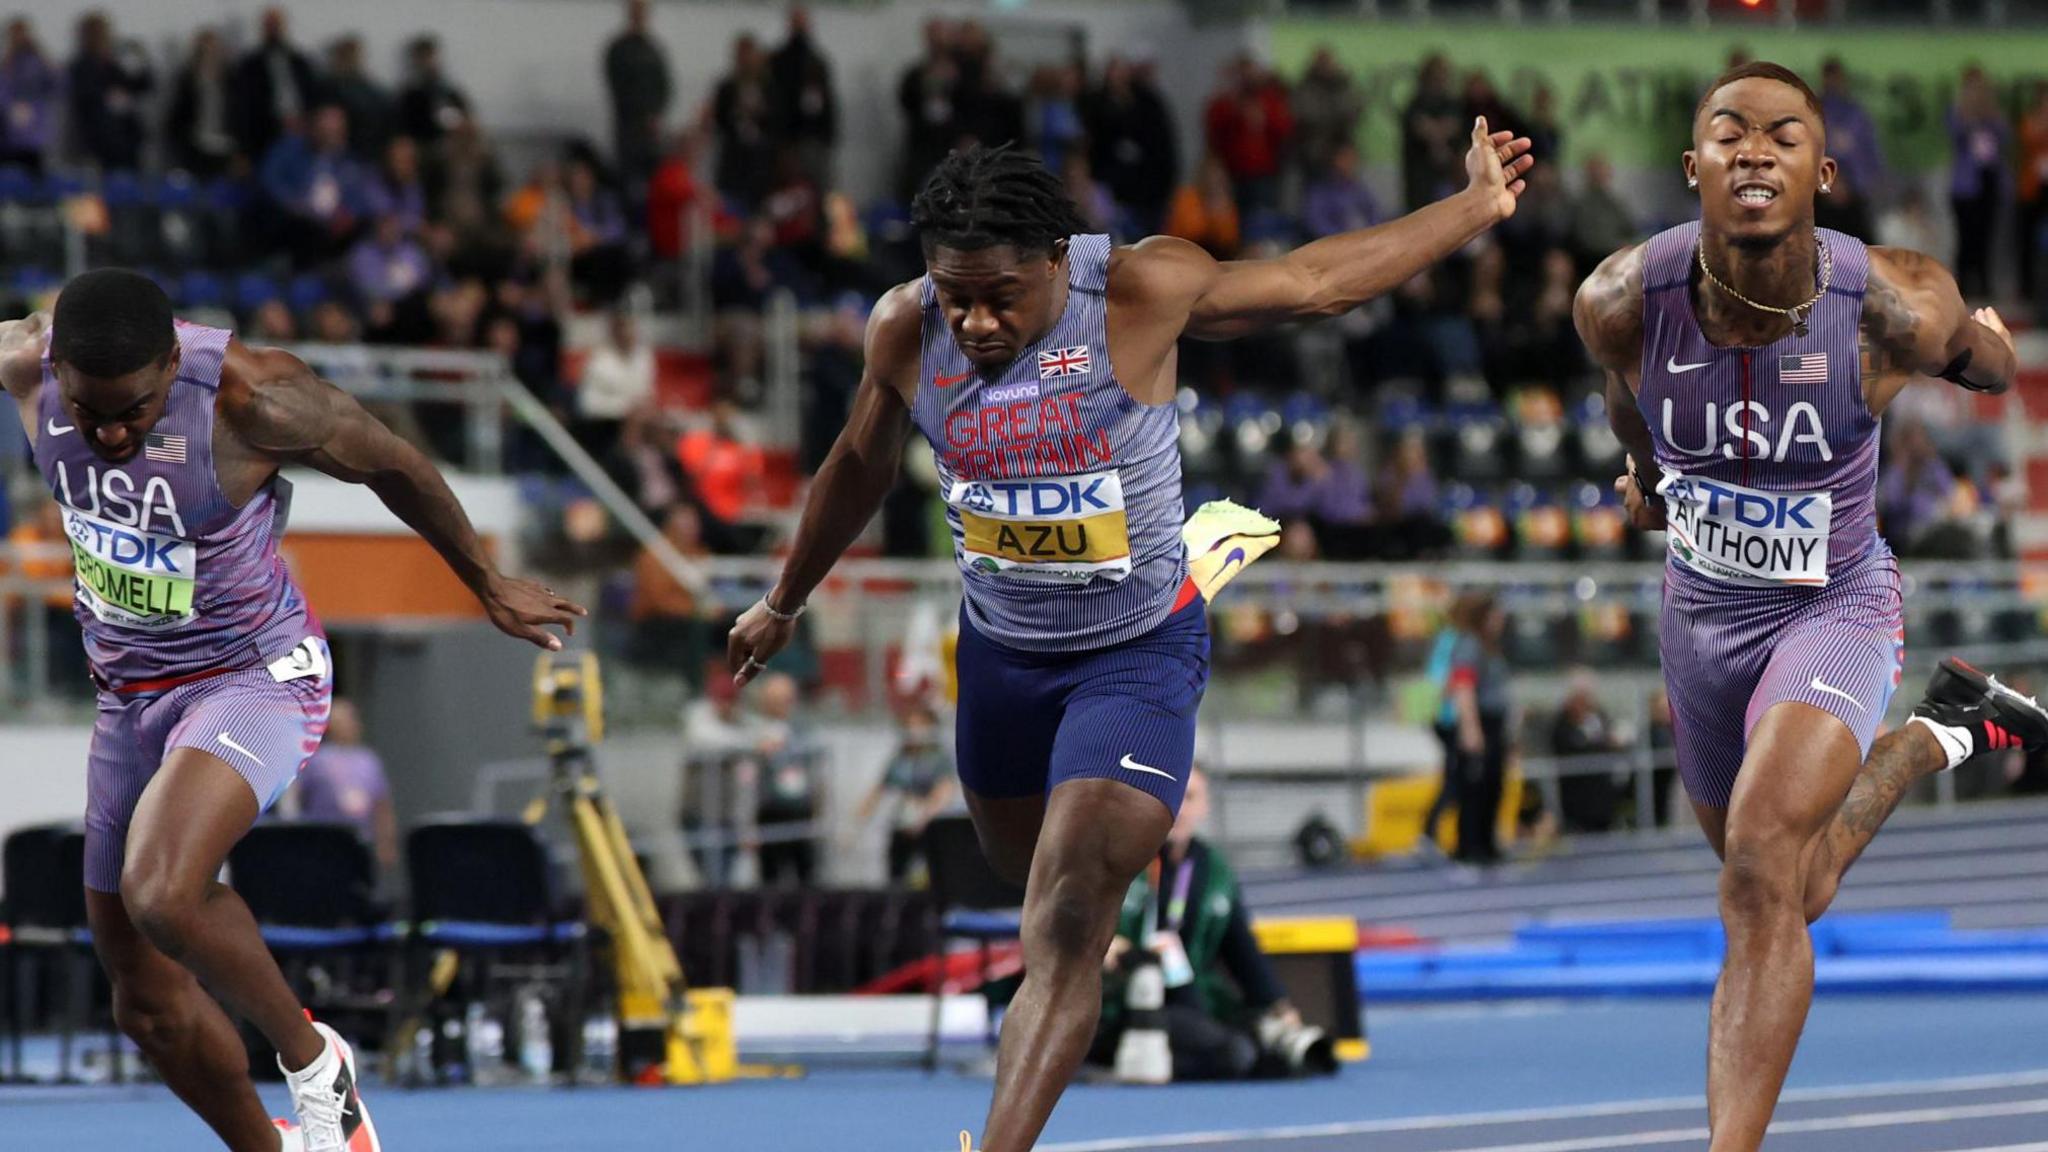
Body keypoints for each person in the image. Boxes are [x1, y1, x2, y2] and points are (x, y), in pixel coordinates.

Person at [727, 118, 1533, 1151]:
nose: (971, 322)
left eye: (998, 297)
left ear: (1057, 263)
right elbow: (855, 466)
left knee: (1066, 918)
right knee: (1043, 897)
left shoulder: (1138, 293)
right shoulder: (904, 327)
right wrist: (782, 601)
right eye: (954, 293)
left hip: (1133, 648)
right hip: (1002, 659)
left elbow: (1314, 281)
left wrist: (1471, 204)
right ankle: (1115, 869)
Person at [1572, 62, 2048, 1152]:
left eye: (1781, 136)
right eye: (1726, 132)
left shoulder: (1888, 303)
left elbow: (1983, 360)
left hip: (1832, 605)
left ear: (1820, 173)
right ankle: (1939, 733)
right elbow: (1625, 410)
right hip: (1697, 618)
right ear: (1690, 164)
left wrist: (1981, 344)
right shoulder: (1614, 304)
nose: (1751, 150)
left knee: (1752, 875)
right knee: (1793, 885)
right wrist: (1644, 484)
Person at [0, 271, 585, 1152]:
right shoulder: (23, 364)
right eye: (90, 415)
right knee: (147, 1005)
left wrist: (485, 581)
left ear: (171, 364)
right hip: (127, 702)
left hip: (255, 677)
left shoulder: (256, 399)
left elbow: (393, 461)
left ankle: (317, 1067)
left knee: (160, 892)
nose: (112, 434)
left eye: (135, 411)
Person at [1090, 768, 1327, 1082]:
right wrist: (1112, 949)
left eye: (1189, 798)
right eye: (1170, 795)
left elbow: (1242, 948)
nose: (1178, 808)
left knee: (1260, 1047)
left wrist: (1278, 1007)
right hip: (1119, 1006)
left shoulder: (1214, 869)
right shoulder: (1121, 858)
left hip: (1189, 1004)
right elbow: (1078, 931)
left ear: (1205, 806)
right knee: (1237, 1052)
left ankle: (1158, 1063)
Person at [288, 699, 397, 871]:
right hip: (322, 844)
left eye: (351, 719)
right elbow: (297, 799)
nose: (350, 724)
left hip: (362, 843)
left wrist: (386, 843)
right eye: (342, 720)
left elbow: (382, 806)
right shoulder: (315, 759)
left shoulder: (369, 760)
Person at [856, 702, 957, 882]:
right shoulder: (900, 758)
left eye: (920, 725)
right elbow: (879, 789)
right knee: (897, 873)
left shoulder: (938, 758)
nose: (914, 730)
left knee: (932, 874)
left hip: (927, 826)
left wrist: (924, 816)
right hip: (901, 824)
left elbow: (944, 790)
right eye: (911, 725)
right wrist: (857, 822)